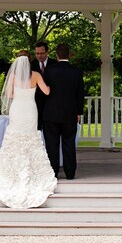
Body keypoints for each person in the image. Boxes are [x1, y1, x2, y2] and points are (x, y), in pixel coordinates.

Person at [0, 54, 58, 208]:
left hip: (17, 109)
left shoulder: (13, 75)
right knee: (31, 138)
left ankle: (9, 169)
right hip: (31, 110)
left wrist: (19, 92)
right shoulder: (37, 75)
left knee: (14, 137)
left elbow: (9, 94)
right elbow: (46, 92)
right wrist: (50, 86)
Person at [41, 43, 85, 180]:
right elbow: (80, 94)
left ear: (56, 55)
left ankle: (53, 172)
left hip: (51, 113)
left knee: (52, 145)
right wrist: (79, 112)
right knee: (69, 144)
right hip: (70, 114)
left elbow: (44, 93)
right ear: (69, 54)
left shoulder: (49, 70)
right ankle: (70, 173)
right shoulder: (77, 72)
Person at [30, 41, 55, 131]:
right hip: (35, 103)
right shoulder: (31, 65)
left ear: (47, 52)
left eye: (42, 53)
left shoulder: (55, 64)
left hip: (52, 102)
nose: (39, 56)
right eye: (37, 53)